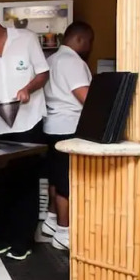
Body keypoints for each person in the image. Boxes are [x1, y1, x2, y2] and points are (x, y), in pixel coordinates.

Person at [0, 3, 49, 260]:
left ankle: (23, 241)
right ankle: (3, 236)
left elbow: (43, 74)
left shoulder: (26, 39)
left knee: (26, 181)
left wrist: (27, 89)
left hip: (29, 121)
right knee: (3, 182)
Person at [41, 21, 94, 250]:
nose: (89, 47)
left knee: (56, 177)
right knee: (66, 183)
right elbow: (86, 98)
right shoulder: (72, 62)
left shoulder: (51, 60)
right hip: (70, 127)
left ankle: (51, 221)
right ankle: (64, 232)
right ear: (80, 39)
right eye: (89, 42)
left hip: (51, 126)